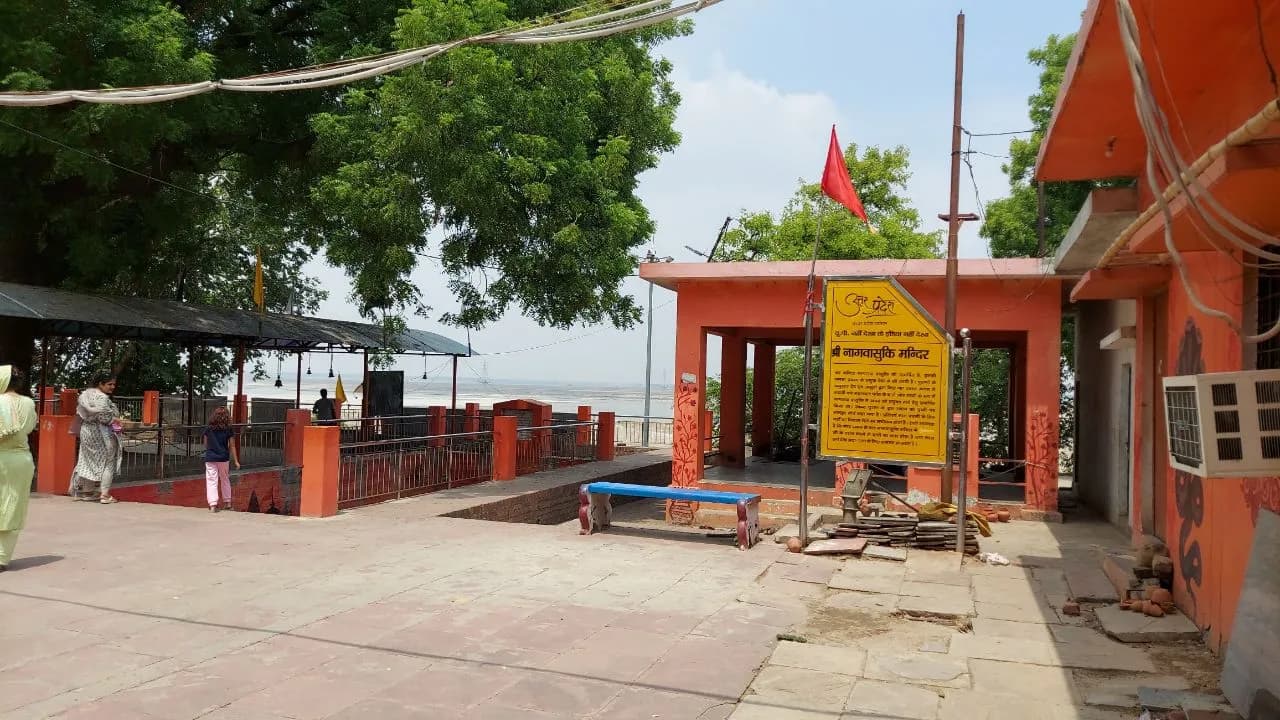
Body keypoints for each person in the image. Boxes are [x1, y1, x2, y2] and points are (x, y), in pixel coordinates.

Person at [0, 365, 37, 571]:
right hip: (20, 460)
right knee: (12, 506)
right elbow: (30, 427)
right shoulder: (29, 403)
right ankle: (1, 559)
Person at [69, 372, 123, 504]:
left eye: (113, 384)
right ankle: (104, 495)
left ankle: (87, 492)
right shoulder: (102, 398)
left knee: (87, 460)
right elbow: (104, 418)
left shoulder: (85, 395)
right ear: (100, 384)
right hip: (101, 433)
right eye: (109, 384)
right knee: (108, 462)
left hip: (86, 431)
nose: (112, 387)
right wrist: (117, 420)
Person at [202, 407, 239, 512]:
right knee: (225, 479)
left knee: (211, 480)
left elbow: (205, 442)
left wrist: (210, 450)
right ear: (227, 417)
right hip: (223, 457)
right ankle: (227, 503)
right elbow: (232, 446)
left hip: (210, 457)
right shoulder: (228, 429)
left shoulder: (209, 428)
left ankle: (213, 504)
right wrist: (236, 461)